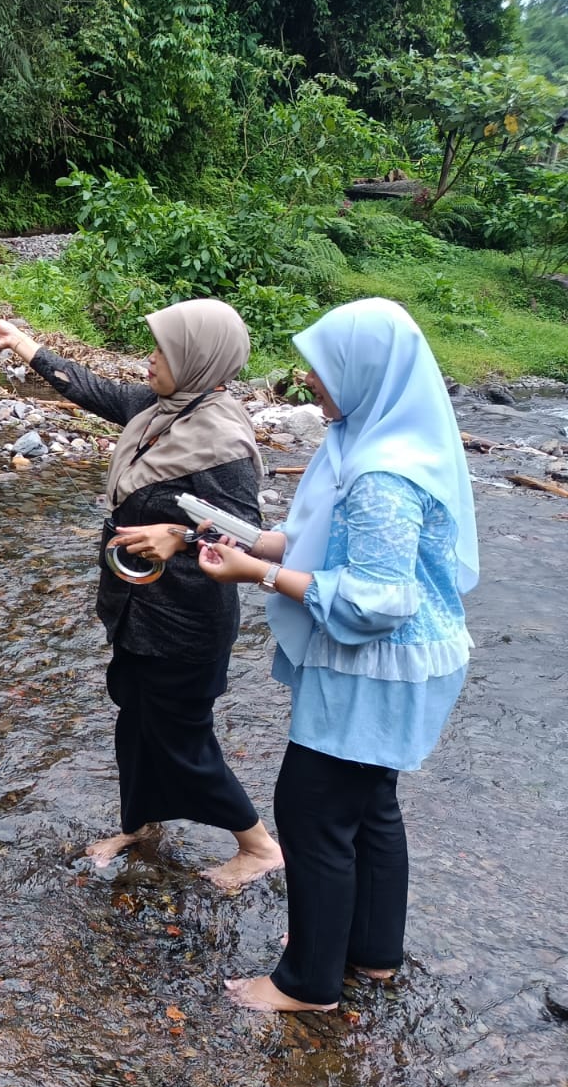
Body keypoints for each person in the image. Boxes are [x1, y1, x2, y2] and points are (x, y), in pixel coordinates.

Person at [196, 297, 478, 1012]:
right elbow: (328, 538)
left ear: (365, 372)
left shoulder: (384, 470)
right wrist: (256, 545)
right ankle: (373, 957)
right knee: (369, 803)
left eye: (323, 369)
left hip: (377, 667)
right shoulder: (375, 435)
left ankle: (308, 982)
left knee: (314, 809)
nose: (309, 380)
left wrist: (254, 575)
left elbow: (377, 602)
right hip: (410, 662)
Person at [0, 301, 283, 890]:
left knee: (180, 737)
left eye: (162, 351)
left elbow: (245, 540)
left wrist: (181, 536)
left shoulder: (220, 440)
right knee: (136, 722)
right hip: (136, 609)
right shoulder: (164, 410)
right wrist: (22, 343)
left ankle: (259, 845)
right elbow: (94, 391)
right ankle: (141, 825)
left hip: (186, 621)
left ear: (197, 361)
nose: (149, 360)